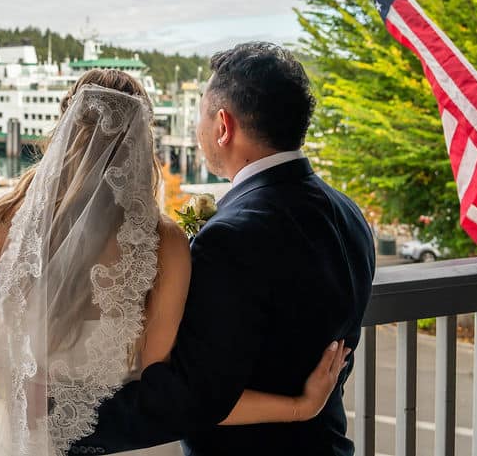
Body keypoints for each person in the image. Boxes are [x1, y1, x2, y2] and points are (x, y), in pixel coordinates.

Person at [0, 67, 352, 456]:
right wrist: (299, 406)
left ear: (65, 132)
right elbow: (166, 387)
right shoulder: (164, 244)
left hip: (31, 442)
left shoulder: (2, 223)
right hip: (134, 444)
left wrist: (27, 349)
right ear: (142, 141)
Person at [71, 43, 376, 456]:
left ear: (223, 125)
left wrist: (67, 424)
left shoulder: (231, 237)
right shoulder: (348, 213)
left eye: (200, 114)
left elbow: (195, 393)